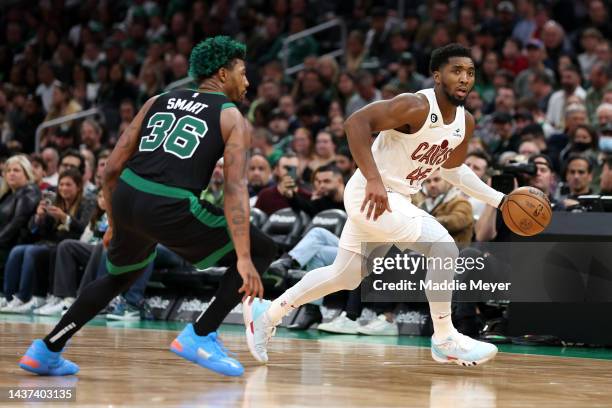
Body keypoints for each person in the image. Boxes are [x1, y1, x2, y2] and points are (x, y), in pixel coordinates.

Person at [19, 36, 276, 377]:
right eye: (243, 73)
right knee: (263, 249)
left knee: (119, 276)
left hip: (128, 195)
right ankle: (200, 334)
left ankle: (47, 349)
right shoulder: (232, 117)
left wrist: (114, 222)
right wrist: (243, 257)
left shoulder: (160, 99)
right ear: (222, 73)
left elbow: (111, 167)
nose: (248, 82)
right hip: (170, 203)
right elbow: (234, 189)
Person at [244, 44, 505, 367]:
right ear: (437, 76)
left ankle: (266, 313)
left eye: (470, 72)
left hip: (396, 199)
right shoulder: (415, 105)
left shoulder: (465, 123)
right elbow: (356, 123)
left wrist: (500, 200)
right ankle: (444, 337)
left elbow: (452, 170)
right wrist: (373, 179)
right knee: (444, 249)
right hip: (372, 194)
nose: (465, 78)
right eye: (457, 71)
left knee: (346, 276)